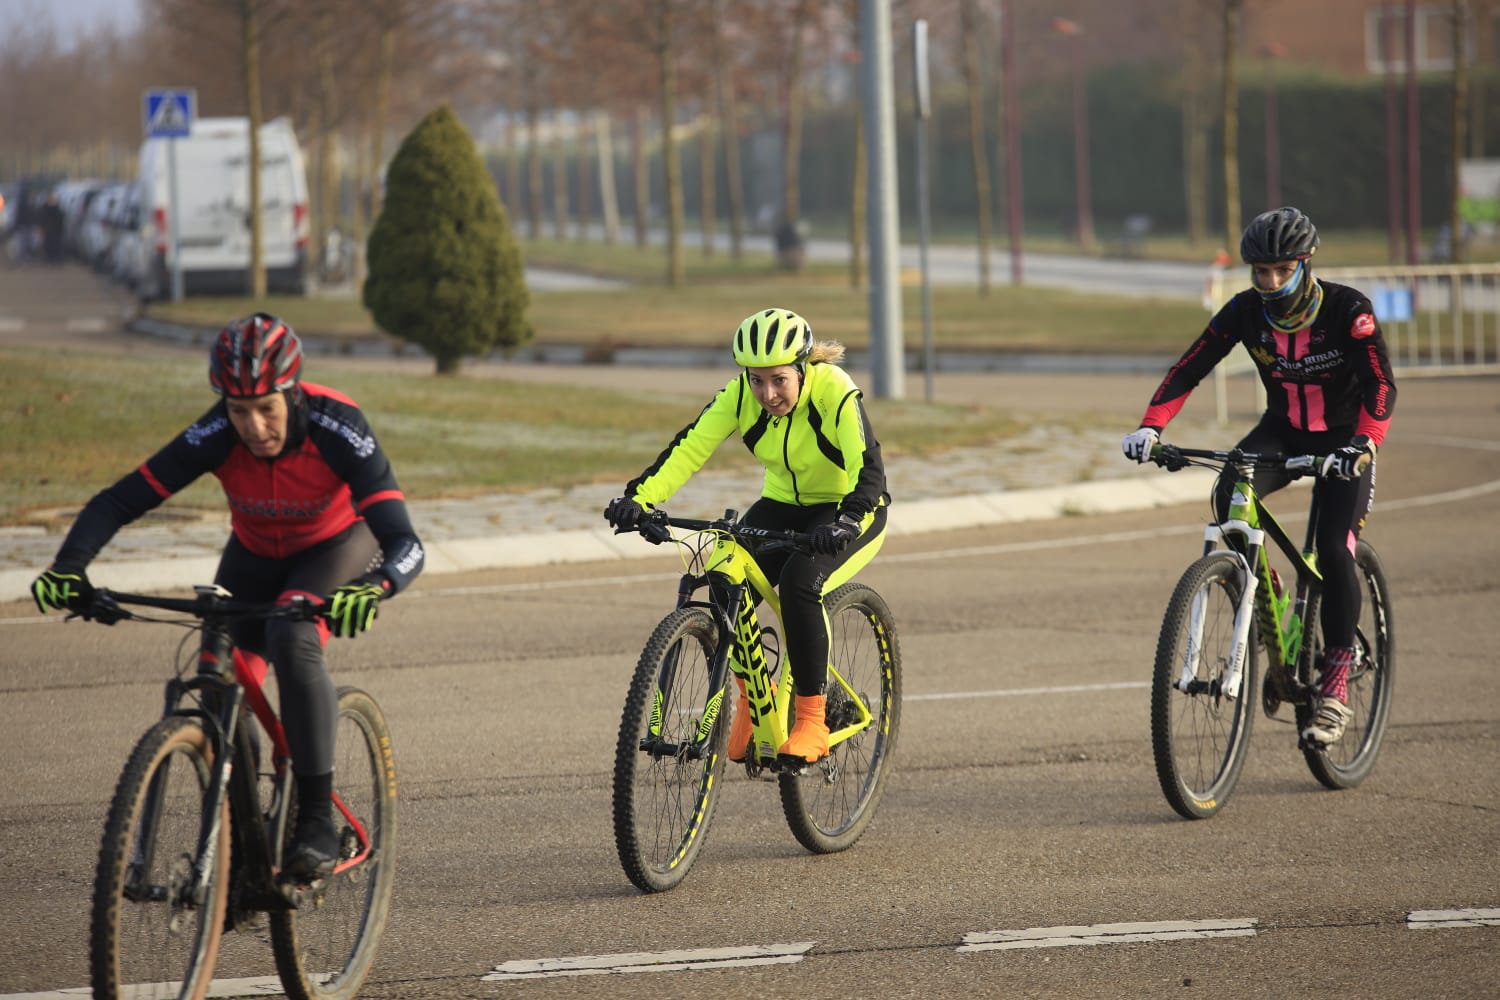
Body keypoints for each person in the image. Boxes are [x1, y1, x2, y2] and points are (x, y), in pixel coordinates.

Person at [31, 313, 425, 876]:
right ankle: (246, 838)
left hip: (334, 548)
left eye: (267, 408)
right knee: (219, 670)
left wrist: (376, 585)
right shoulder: (216, 433)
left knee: (291, 638)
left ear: (291, 392)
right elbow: (118, 502)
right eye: (239, 411)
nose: (254, 426)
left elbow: (404, 540)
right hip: (254, 555)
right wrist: (69, 567)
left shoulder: (339, 427)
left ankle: (314, 816)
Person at [1122, 206, 1396, 748]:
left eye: (1281, 270)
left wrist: (1364, 444)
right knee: (1227, 495)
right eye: (1260, 271)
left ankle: (1336, 686)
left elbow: (1380, 385)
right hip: (1283, 430)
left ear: (1306, 263)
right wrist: (1151, 427)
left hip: (1345, 441)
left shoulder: (1348, 309)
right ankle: (1265, 598)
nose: (1269, 282)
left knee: (1337, 551)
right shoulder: (1245, 312)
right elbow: (1190, 367)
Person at [604, 307, 890, 764]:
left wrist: (848, 519)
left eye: (779, 380)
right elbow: (690, 447)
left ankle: (813, 720)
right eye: (757, 380)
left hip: (848, 509)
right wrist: (639, 498)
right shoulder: (739, 397)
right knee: (721, 574)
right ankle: (755, 701)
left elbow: (868, 466)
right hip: (781, 505)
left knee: (800, 583)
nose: (767, 394)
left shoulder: (834, 390)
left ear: (802, 368)